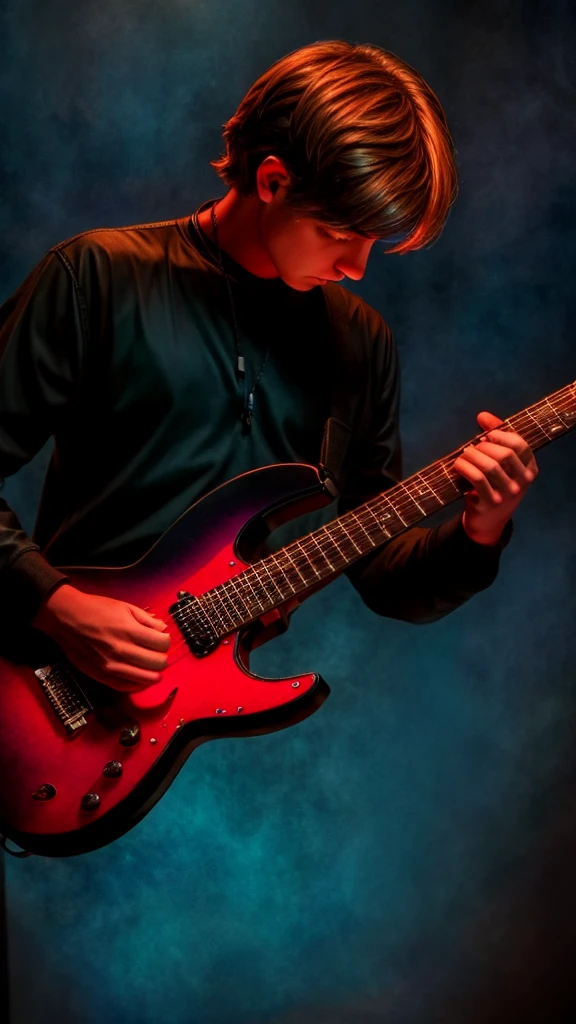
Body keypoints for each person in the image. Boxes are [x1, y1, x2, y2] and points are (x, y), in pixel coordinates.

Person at [0, 40, 537, 693]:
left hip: (188, 732)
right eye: (342, 234)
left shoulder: (361, 344)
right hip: (36, 699)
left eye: (374, 242)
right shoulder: (96, 279)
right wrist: (54, 606)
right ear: (273, 180)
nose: (357, 268)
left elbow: (380, 572)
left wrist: (481, 530)